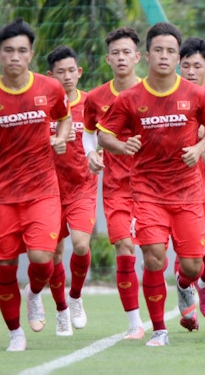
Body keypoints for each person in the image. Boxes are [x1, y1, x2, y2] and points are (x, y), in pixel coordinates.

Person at [98, 22, 205, 346]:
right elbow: (103, 133)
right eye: (159, 50)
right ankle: (159, 329)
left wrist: (198, 148)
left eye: (171, 51)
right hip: (147, 191)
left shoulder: (195, 94)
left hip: (188, 192)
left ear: (177, 56)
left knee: (194, 265)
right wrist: (121, 146)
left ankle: (184, 285)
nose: (164, 56)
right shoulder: (130, 98)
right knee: (153, 255)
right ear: (148, 55)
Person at [0, 18, 71, 351]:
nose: (15, 57)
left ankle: (35, 293)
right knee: (5, 265)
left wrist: (61, 139)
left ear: (31, 54)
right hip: (4, 196)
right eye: (8, 51)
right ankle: (15, 333)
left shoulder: (49, 89)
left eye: (22, 51)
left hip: (43, 190)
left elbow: (63, 117)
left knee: (41, 257)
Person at [82, 27, 145, 339]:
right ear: (108, 59)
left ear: (137, 57)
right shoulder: (95, 98)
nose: (121, 58)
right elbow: (88, 131)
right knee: (124, 246)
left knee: (157, 252)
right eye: (115, 53)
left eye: (126, 52)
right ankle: (134, 322)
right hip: (117, 186)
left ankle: (187, 288)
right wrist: (91, 153)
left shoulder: (154, 92)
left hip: (155, 186)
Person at [45, 45, 97, 336]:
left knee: (80, 245)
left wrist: (99, 153)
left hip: (82, 187)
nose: (66, 77)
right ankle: (61, 309)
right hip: (48, 190)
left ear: (79, 72)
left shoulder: (91, 103)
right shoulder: (41, 105)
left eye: (71, 71)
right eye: (59, 72)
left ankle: (75, 297)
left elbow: (105, 134)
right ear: (50, 76)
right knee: (53, 252)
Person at [176, 37, 205, 322]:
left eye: (197, 66)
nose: (191, 72)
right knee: (189, 250)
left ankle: (203, 285)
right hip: (182, 187)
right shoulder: (170, 98)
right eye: (186, 66)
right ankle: (185, 286)